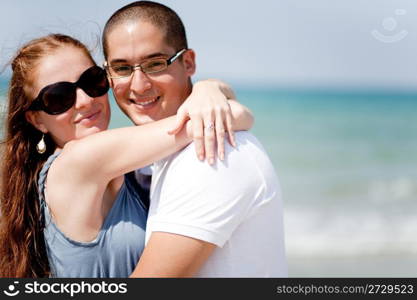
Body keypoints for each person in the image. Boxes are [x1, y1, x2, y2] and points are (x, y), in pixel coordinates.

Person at [0, 34, 253, 277]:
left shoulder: (122, 167)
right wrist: (209, 90)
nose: (86, 100)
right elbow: (222, 119)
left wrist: (209, 90)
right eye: (58, 97)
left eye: (92, 81)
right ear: (37, 120)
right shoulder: (78, 160)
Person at [102, 1, 287, 277]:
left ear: (188, 62)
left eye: (155, 64)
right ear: (108, 73)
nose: (139, 85)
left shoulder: (212, 154)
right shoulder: (153, 157)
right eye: (123, 68)